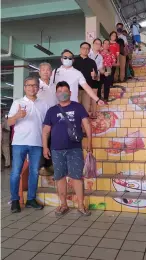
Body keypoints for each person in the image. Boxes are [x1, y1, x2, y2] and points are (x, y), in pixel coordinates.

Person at [42, 81, 92, 216]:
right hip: (56, 150)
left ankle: (81, 205)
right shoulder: (52, 111)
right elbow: (46, 131)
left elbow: (87, 124)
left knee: (77, 177)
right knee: (60, 177)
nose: (62, 93)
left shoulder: (78, 107)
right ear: (56, 94)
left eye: (65, 90)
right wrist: (45, 147)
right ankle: (63, 205)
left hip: (74, 148)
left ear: (70, 93)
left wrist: (90, 142)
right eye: (59, 91)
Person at [8, 77, 49, 213]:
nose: (32, 88)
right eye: (29, 85)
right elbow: (8, 123)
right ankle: (15, 200)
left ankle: (31, 199)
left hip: (36, 143)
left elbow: (46, 125)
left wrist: (45, 144)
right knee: (15, 172)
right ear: (25, 87)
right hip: (19, 142)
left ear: (38, 87)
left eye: (35, 85)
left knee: (34, 172)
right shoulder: (17, 103)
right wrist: (17, 116)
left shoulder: (44, 104)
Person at [38, 62, 57, 176]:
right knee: (41, 142)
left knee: (52, 141)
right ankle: (41, 166)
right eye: (43, 69)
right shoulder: (36, 86)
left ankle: (50, 165)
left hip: (54, 119)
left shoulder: (55, 86)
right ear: (39, 72)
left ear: (51, 72)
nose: (45, 71)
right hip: (40, 118)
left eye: (48, 70)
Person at [73, 42, 98, 114]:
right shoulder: (74, 61)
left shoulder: (92, 62)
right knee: (75, 110)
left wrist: (94, 75)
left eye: (87, 48)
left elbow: (96, 78)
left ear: (89, 50)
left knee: (85, 110)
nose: (85, 50)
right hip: (75, 89)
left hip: (87, 90)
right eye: (83, 48)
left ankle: (84, 125)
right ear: (80, 49)